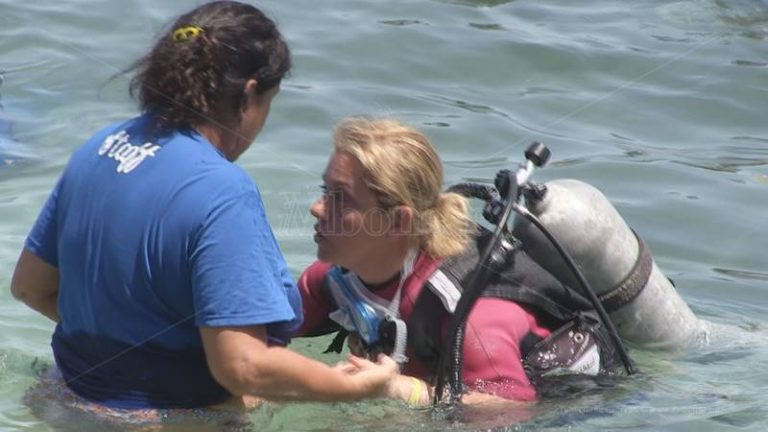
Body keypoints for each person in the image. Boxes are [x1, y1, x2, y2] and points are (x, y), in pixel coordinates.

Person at [10, 1, 396, 422]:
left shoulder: (101, 146)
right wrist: (355, 387)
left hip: (61, 401)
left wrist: (123, 343)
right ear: (249, 93)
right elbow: (243, 367)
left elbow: (30, 288)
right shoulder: (222, 192)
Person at [297, 117, 623, 407]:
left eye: (341, 199)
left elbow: (512, 408)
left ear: (398, 223)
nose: (317, 207)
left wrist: (401, 390)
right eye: (325, 190)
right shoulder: (332, 279)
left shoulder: (472, 316)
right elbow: (262, 336)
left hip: (573, 404)